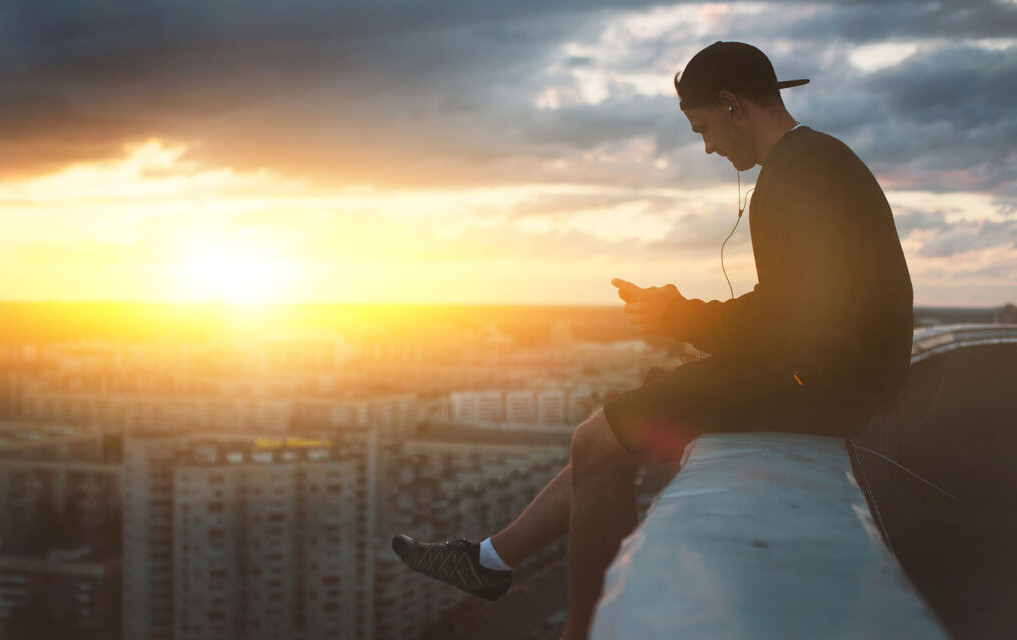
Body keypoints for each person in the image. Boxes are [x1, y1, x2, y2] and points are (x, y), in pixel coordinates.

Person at [392, 41, 914, 640]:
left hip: (823, 384)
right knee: (625, 418)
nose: (710, 147)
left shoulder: (798, 174)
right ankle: (490, 560)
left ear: (731, 105)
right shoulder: (818, 161)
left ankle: (574, 626)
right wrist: (679, 322)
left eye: (704, 130)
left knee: (597, 439)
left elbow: (788, 316)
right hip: (834, 376)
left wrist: (677, 316)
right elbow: (802, 309)